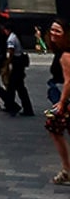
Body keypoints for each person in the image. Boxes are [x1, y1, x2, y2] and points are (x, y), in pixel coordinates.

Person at [46, 17, 70, 185]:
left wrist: (62, 102)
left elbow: (68, 81)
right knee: (55, 129)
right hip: (62, 97)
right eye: (52, 29)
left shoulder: (65, 55)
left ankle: (67, 169)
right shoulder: (60, 51)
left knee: (54, 128)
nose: (53, 33)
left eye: (58, 31)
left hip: (65, 99)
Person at [1, 19, 33, 116]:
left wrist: (7, 64)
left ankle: (12, 106)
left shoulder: (11, 39)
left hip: (16, 63)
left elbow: (11, 53)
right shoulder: (16, 37)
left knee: (12, 87)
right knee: (19, 87)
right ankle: (24, 107)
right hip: (20, 63)